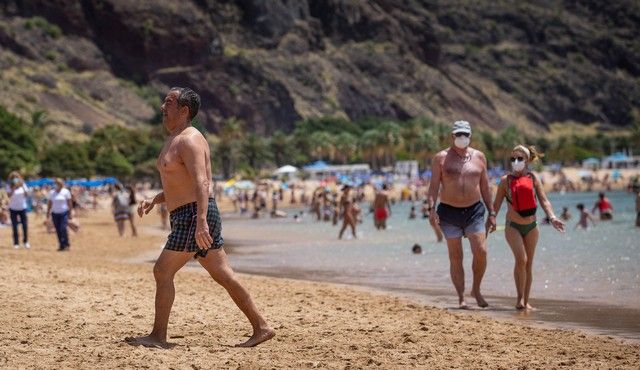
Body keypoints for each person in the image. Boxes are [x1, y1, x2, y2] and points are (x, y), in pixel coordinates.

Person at [126, 87, 274, 348]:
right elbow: (178, 184)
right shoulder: (176, 139)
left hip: (195, 215)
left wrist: (202, 222)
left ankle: (158, 336)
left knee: (162, 271)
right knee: (224, 275)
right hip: (190, 214)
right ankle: (261, 327)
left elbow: (202, 182)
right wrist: (155, 200)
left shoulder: (190, 140)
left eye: (169, 102)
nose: (163, 106)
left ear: (184, 110)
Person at [427, 120, 495, 309]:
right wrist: (431, 209)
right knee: (456, 256)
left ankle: (476, 289)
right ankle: (461, 298)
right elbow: (433, 187)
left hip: (474, 210)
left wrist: (492, 212)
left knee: (481, 251)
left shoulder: (479, 157)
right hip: (448, 211)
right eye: (458, 135)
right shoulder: (440, 158)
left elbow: (485, 187)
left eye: (465, 134)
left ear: (470, 136)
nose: (462, 138)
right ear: (452, 136)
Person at [492, 145, 565, 310]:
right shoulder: (505, 181)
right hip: (513, 226)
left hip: (532, 226)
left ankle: (526, 300)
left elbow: (544, 200)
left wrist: (552, 217)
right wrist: (491, 220)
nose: (516, 161)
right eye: (513, 158)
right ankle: (519, 299)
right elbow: (496, 205)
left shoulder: (533, 178)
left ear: (527, 160)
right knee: (521, 260)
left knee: (529, 264)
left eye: (520, 158)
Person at [47, 178, 73, 251]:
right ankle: (61, 245)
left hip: (64, 213)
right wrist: (48, 212)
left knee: (63, 228)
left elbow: (69, 202)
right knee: (58, 230)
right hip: (55, 213)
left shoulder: (66, 192)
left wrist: (70, 212)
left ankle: (66, 244)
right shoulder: (52, 192)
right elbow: (50, 203)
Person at [7, 172, 31, 249]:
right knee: (14, 226)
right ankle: (16, 243)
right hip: (13, 208)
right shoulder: (9, 185)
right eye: (13, 177)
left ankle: (26, 241)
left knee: (24, 226)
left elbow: (27, 195)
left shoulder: (23, 185)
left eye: (16, 177)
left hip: (22, 208)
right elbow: (9, 195)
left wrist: (22, 186)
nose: (15, 179)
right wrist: (13, 188)